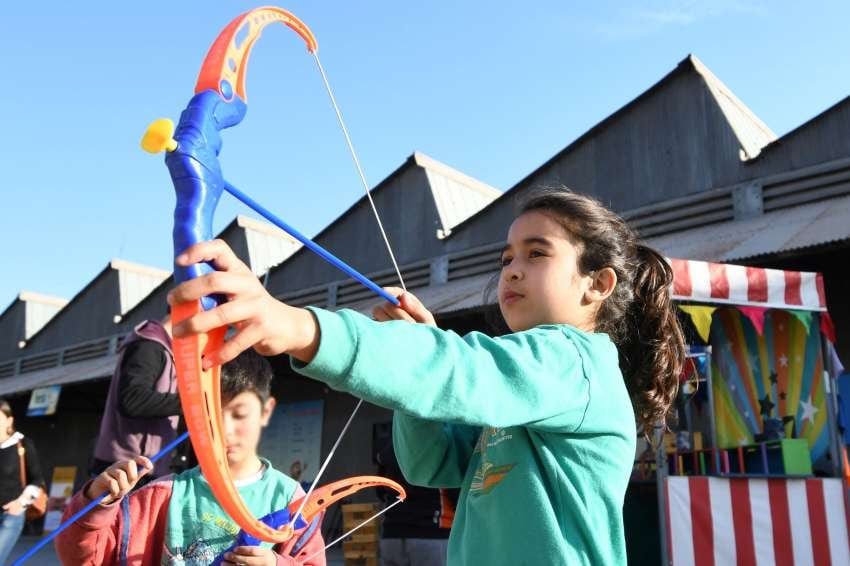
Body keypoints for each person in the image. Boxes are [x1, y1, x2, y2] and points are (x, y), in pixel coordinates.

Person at [166, 187, 686, 565]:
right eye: (507, 258)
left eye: (537, 253)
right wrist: (421, 368)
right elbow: (430, 462)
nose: (512, 269)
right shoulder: (531, 377)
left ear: (597, 285)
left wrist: (298, 326)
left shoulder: (576, 361)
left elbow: (461, 371)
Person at [56, 350, 326, 565]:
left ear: (266, 411)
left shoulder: (294, 501)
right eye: (211, 416)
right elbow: (82, 557)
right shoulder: (159, 496)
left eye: (240, 414)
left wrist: (275, 563)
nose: (225, 430)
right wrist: (94, 502)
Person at [91, 316, 182, 479]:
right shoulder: (149, 346)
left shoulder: (165, 349)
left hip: (143, 467)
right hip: (126, 468)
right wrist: (190, 404)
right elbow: (133, 400)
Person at [0, 399, 45, 565]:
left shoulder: (22, 443)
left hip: (11, 514)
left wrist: (20, 504)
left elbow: (37, 480)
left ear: (9, 420)